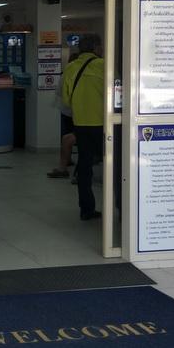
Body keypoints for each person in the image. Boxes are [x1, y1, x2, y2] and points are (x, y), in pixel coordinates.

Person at [61, 34, 104, 220]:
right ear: (96, 48)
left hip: (80, 123)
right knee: (113, 165)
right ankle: (121, 208)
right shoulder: (104, 65)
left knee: (85, 165)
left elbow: (66, 98)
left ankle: (86, 208)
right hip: (103, 124)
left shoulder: (71, 67)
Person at [47, 51, 79, 179]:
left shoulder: (68, 71)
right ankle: (67, 160)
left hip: (68, 110)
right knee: (69, 136)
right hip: (75, 112)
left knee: (67, 136)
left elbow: (61, 92)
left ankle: (66, 162)